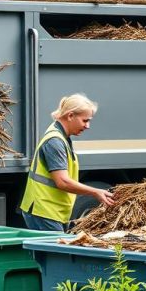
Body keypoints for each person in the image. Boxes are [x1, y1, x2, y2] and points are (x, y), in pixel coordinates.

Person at [19, 94, 115, 231]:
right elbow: (62, 182)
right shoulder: (55, 142)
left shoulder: (61, 136)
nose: (88, 126)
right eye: (85, 120)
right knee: (55, 253)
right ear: (70, 116)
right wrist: (95, 192)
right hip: (44, 211)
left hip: (50, 210)